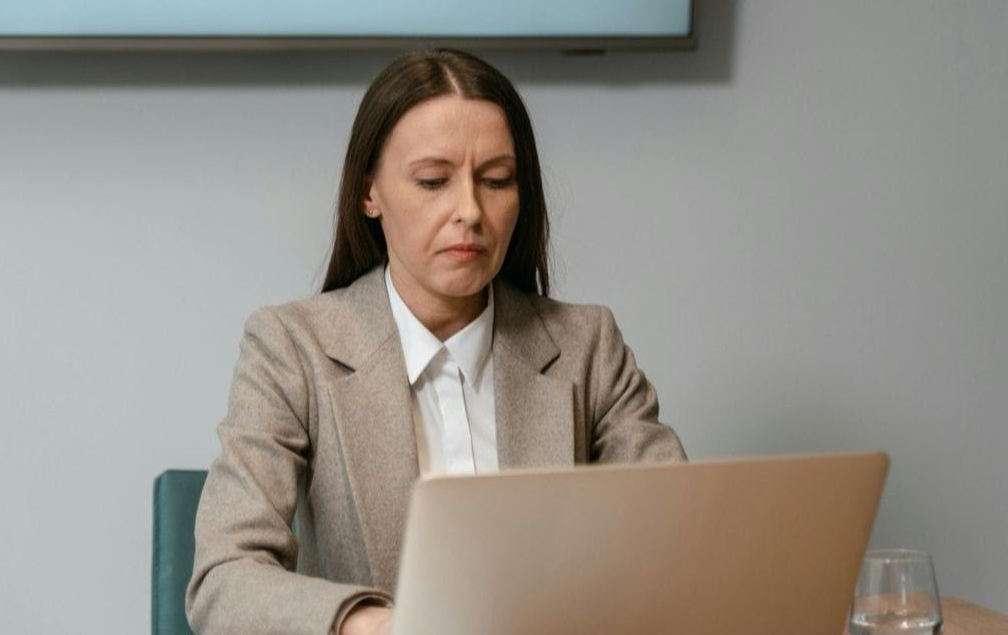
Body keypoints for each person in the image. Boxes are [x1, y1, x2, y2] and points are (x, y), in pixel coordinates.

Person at [186, 49, 686, 635]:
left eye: (496, 181)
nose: (470, 211)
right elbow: (224, 580)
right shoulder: (293, 348)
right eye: (432, 181)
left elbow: (678, 542)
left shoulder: (587, 346)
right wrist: (378, 627)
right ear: (369, 193)